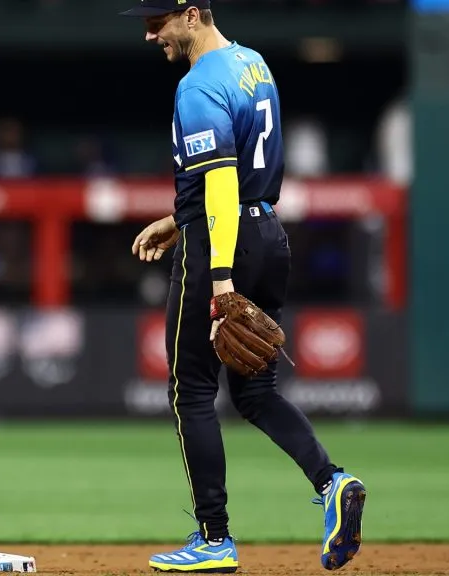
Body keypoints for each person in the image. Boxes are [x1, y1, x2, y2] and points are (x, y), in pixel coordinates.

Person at [120, 1, 366, 572]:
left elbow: (224, 186)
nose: (150, 33)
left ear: (193, 14)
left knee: (192, 392)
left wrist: (220, 278)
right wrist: (178, 218)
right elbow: (233, 183)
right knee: (254, 393)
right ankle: (333, 482)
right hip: (269, 233)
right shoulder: (252, 63)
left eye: (157, 21)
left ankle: (214, 538)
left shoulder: (196, 86)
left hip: (221, 245)